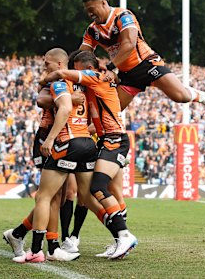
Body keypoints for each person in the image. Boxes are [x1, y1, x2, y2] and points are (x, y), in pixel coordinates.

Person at [42, 50, 138, 259]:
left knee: (99, 187)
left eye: (79, 71)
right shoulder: (94, 86)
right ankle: (119, 239)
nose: (78, 76)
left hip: (115, 140)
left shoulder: (96, 78)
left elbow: (63, 75)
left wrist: (47, 77)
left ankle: (124, 235)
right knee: (98, 190)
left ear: (89, 69)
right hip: (106, 141)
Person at [13, 48, 102, 264]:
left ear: (61, 65)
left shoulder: (75, 84)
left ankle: (22, 236)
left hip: (63, 139)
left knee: (65, 193)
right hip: (48, 138)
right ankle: (49, 246)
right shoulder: (56, 83)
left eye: (47, 64)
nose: (44, 69)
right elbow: (41, 100)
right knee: (53, 196)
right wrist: (67, 98)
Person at [78, 0, 205, 111]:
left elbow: (129, 44)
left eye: (92, 9)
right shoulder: (92, 30)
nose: (90, 14)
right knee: (110, 113)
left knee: (181, 97)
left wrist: (109, 67)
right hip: (127, 74)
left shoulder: (123, 16)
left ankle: (197, 94)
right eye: (87, 11)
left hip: (147, 64)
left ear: (103, 3)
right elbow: (82, 55)